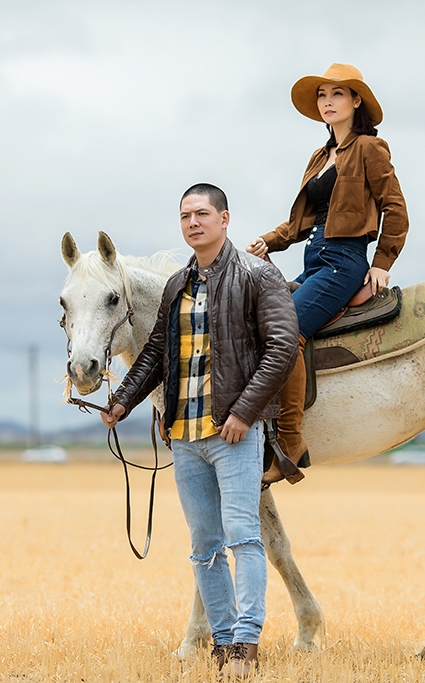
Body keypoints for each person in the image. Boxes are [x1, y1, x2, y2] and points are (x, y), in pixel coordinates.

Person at [102, 183, 299, 678]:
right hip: (185, 436)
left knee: (243, 537)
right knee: (203, 544)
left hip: (232, 433)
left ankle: (247, 644)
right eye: (185, 215)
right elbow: (155, 354)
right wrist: (123, 400)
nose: (193, 222)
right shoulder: (176, 286)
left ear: (225, 218)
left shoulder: (258, 275)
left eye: (203, 213)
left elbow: (281, 349)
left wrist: (244, 413)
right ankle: (224, 641)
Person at [247, 63, 410, 483]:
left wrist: (382, 263)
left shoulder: (371, 150)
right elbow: (300, 223)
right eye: (322, 95)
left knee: (287, 332)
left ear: (356, 101)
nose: (327, 102)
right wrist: (268, 241)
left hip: (344, 261)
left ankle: (290, 440)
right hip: (315, 259)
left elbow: (396, 208)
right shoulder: (320, 157)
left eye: (337, 94)